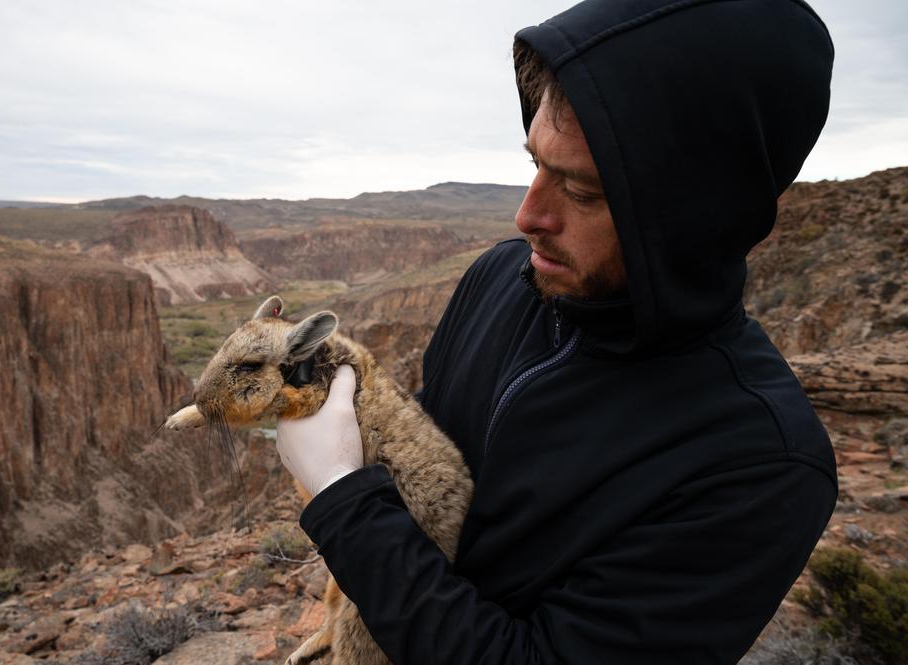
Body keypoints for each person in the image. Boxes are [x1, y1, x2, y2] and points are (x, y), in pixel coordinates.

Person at [276, 0, 839, 662]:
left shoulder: (760, 464)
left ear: (696, 216)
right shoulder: (499, 279)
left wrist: (344, 498)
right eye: (536, 162)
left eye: (582, 191)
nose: (527, 214)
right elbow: (420, 453)